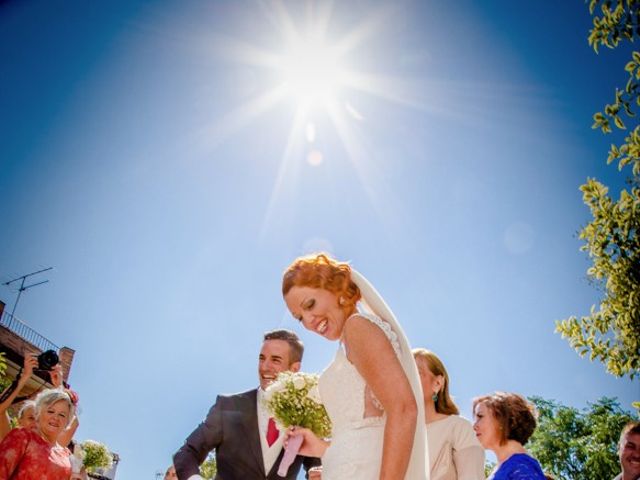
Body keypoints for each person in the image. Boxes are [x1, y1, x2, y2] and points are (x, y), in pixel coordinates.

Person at [282, 253, 428, 480]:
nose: (309, 321)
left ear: (335, 289)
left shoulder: (357, 328)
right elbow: (367, 433)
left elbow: (403, 409)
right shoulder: (350, 342)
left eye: (310, 304)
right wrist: (324, 451)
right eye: (300, 317)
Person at [173, 329, 320, 480]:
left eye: (275, 360)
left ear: (294, 369)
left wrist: (319, 472)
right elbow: (188, 452)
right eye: (262, 358)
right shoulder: (228, 406)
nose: (264, 367)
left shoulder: (305, 418)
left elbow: (317, 464)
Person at [413, 348, 484, 480]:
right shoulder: (393, 434)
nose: (407, 378)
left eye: (416, 372)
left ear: (437, 383)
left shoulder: (459, 428)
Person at [0, 387, 86, 479]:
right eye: (50, 411)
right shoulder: (22, 436)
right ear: (38, 413)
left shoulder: (67, 455)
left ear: (67, 422)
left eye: (62, 415)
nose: (55, 418)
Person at [472, 392, 545, 480]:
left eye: (480, 416)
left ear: (502, 419)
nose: (474, 426)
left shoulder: (521, 467)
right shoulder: (505, 469)